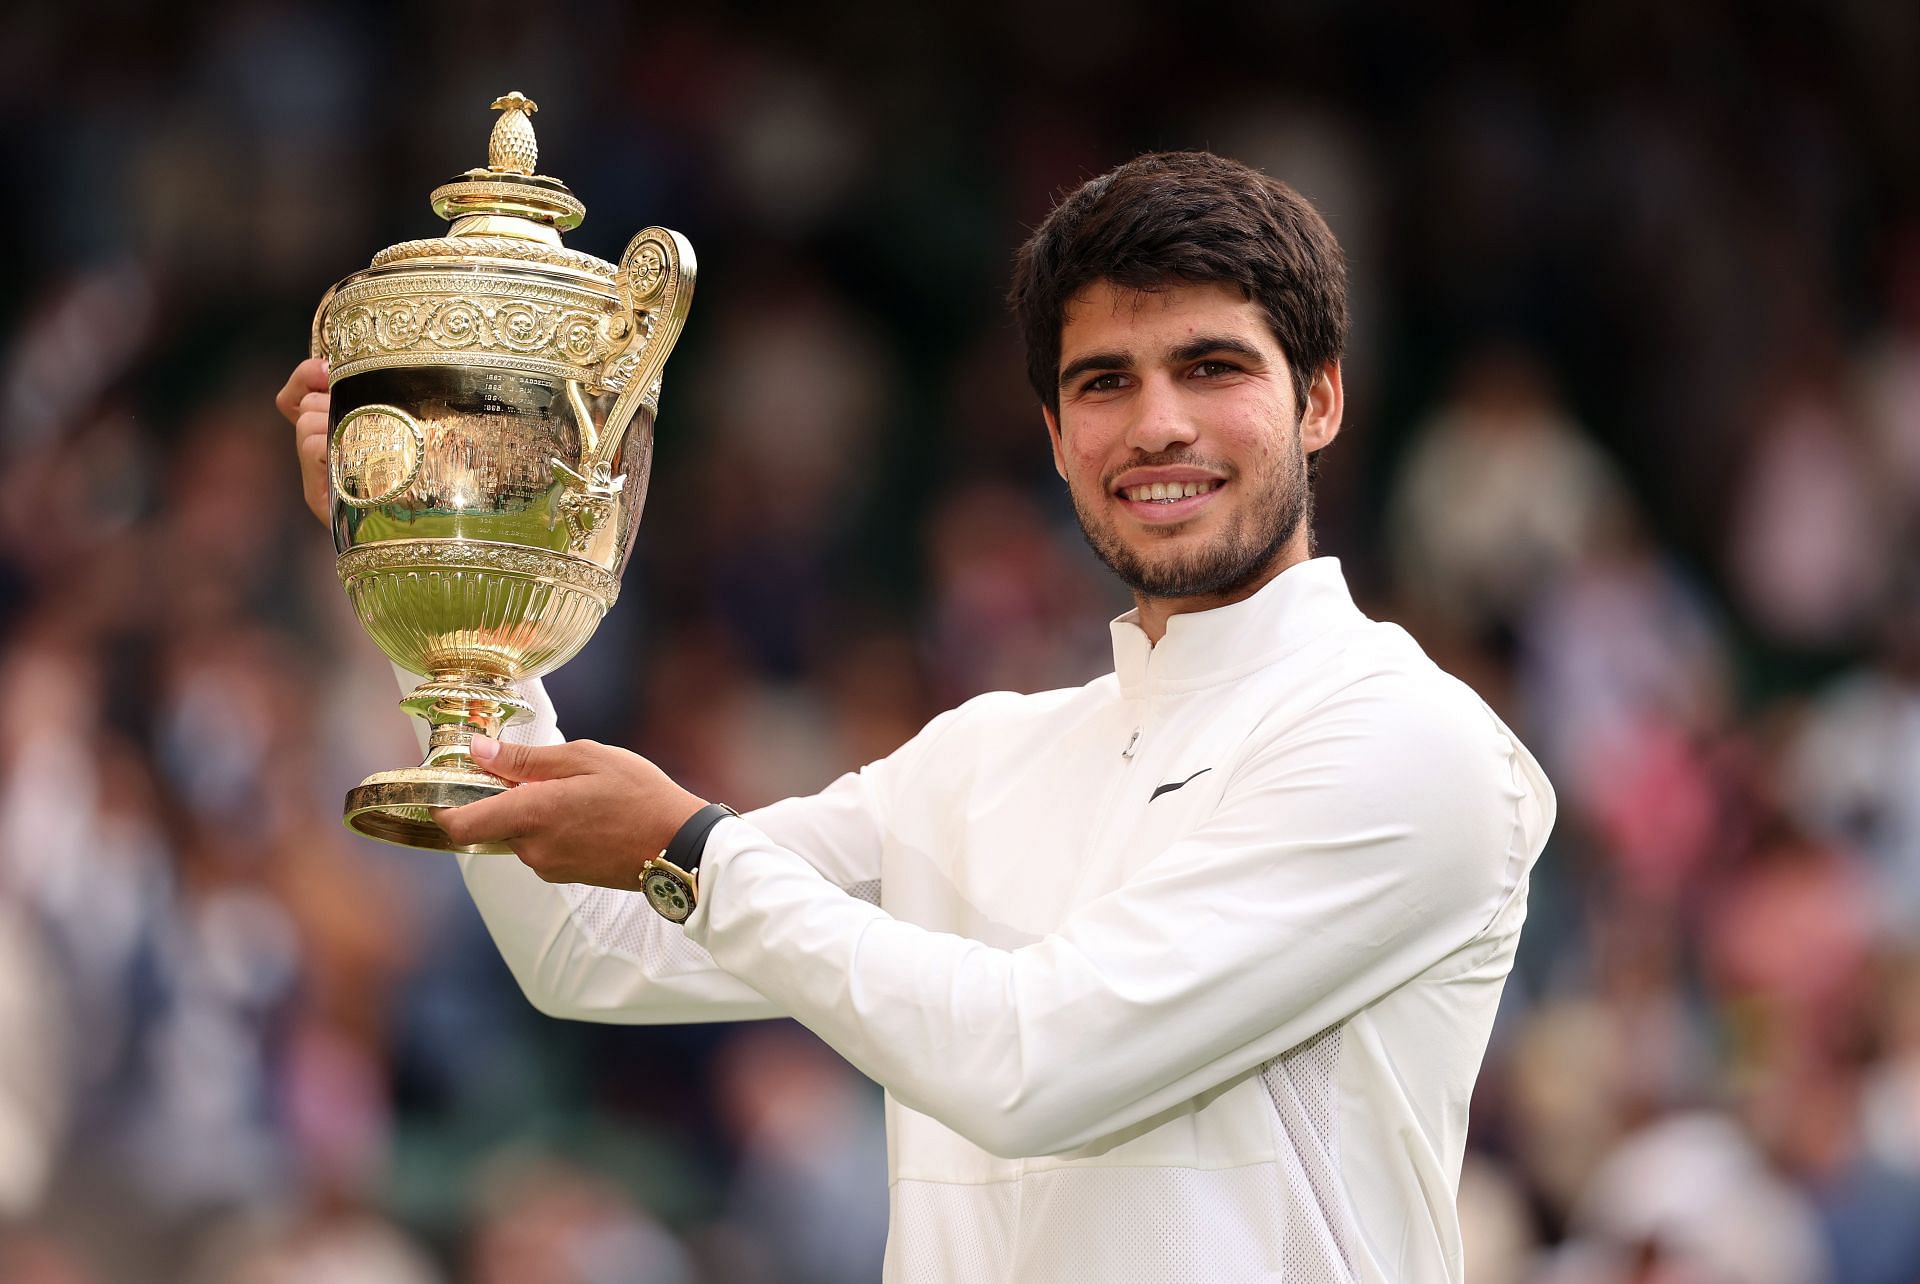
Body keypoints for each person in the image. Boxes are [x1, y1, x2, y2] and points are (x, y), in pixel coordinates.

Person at [277, 150, 1555, 1283]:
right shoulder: (984, 755)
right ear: (1054, 435)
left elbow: (1036, 1062)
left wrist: (690, 848)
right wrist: (443, 583)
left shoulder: (1415, 746)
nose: (1157, 423)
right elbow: (596, 953)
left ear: (1319, 400)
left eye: (1211, 367)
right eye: (1105, 383)